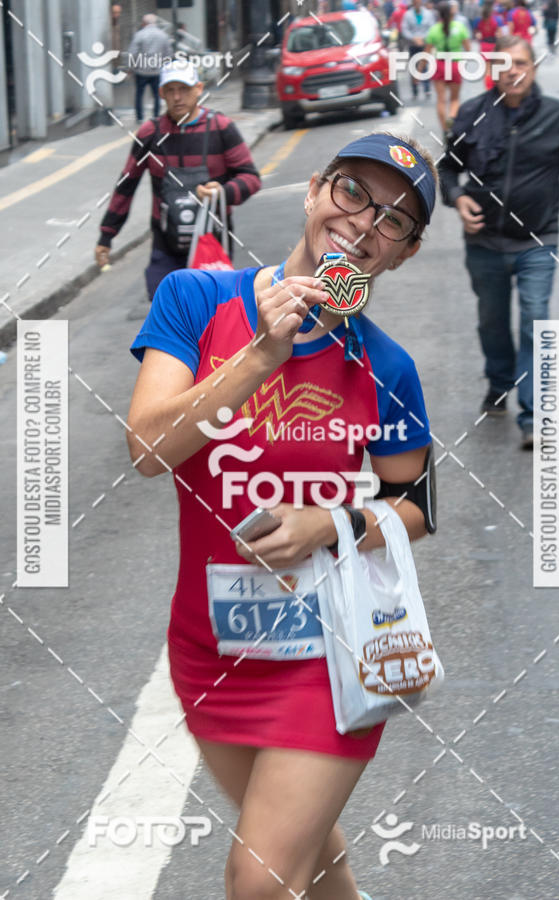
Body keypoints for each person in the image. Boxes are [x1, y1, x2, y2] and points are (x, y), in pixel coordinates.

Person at [126, 131, 438, 900]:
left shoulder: (385, 365)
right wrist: (262, 356)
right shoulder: (196, 300)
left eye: (393, 220)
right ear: (312, 192)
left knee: (260, 880)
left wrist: (328, 525)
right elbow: (146, 449)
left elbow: (419, 505)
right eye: (352, 192)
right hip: (211, 649)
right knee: (311, 858)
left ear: (404, 253)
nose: (365, 222)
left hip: (332, 655)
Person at [438, 36, 559, 448]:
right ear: (492, 71)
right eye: (505, 64)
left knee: (534, 321)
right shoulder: (472, 114)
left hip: (537, 241)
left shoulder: (557, 116)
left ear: (535, 68)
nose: (514, 71)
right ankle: (498, 380)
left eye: (522, 63)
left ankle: (533, 414)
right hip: (484, 243)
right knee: (492, 321)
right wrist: (458, 200)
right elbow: (445, 172)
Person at [95, 61, 261, 301]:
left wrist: (223, 191)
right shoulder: (150, 134)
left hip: (212, 241)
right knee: (165, 309)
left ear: (198, 89)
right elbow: (126, 185)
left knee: (210, 314)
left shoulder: (221, 128)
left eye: (183, 89)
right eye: (170, 90)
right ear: (161, 93)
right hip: (166, 243)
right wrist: (106, 235)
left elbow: (251, 178)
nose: (177, 97)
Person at [425, 1, 471, 133]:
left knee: (441, 99)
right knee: (455, 98)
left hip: (439, 65)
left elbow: (427, 52)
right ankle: (452, 118)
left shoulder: (434, 30)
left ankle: (444, 129)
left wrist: (419, 69)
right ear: (452, 12)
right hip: (455, 65)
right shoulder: (460, 27)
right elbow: (468, 48)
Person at [127, 14, 172, 123]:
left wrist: (131, 67)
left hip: (141, 70)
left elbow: (133, 53)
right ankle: (156, 116)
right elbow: (169, 54)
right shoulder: (163, 35)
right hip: (157, 70)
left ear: (144, 23)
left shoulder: (139, 35)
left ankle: (139, 117)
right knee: (157, 95)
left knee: (139, 94)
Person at [401, 0, 436, 100]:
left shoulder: (428, 14)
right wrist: (413, 38)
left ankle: (427, 88)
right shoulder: (407, 15)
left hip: (425, 44)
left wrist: (423, 38)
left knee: (424, 65)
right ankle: (414, 90)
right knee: (413, 66)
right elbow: (405, 29)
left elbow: (432, 27)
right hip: (413, 44)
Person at [474, 0, 503, 88]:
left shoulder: (478, 19)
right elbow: (500, 35)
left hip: (484, 45)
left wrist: (479, 35)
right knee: (496, 69)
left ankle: (488, 89)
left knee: (487, 70)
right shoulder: (497, 19)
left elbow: (476, 33)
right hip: (495, 45)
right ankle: (495, 88)